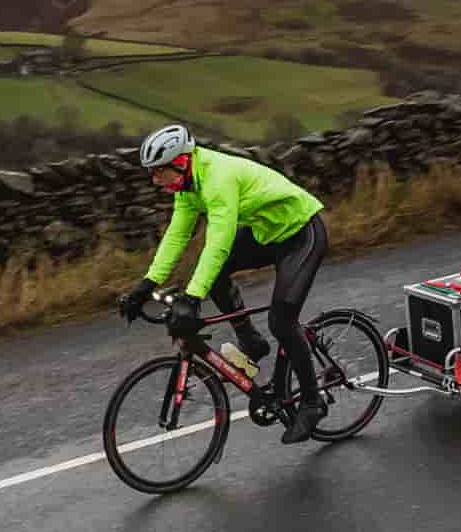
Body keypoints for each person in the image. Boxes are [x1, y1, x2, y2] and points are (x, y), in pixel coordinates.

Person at [114, 123, 331, 442]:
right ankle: (251, 341)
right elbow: (177, 236)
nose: (154, 179)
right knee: (211, 276)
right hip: (267, 233)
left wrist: (192, 297)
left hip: (301, 234)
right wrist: (146, 285)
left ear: (181, 162)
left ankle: (312, 402)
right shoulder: (188, 186)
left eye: (159, 172)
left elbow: (218, 243)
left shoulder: (217, 178)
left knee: (282, 320)